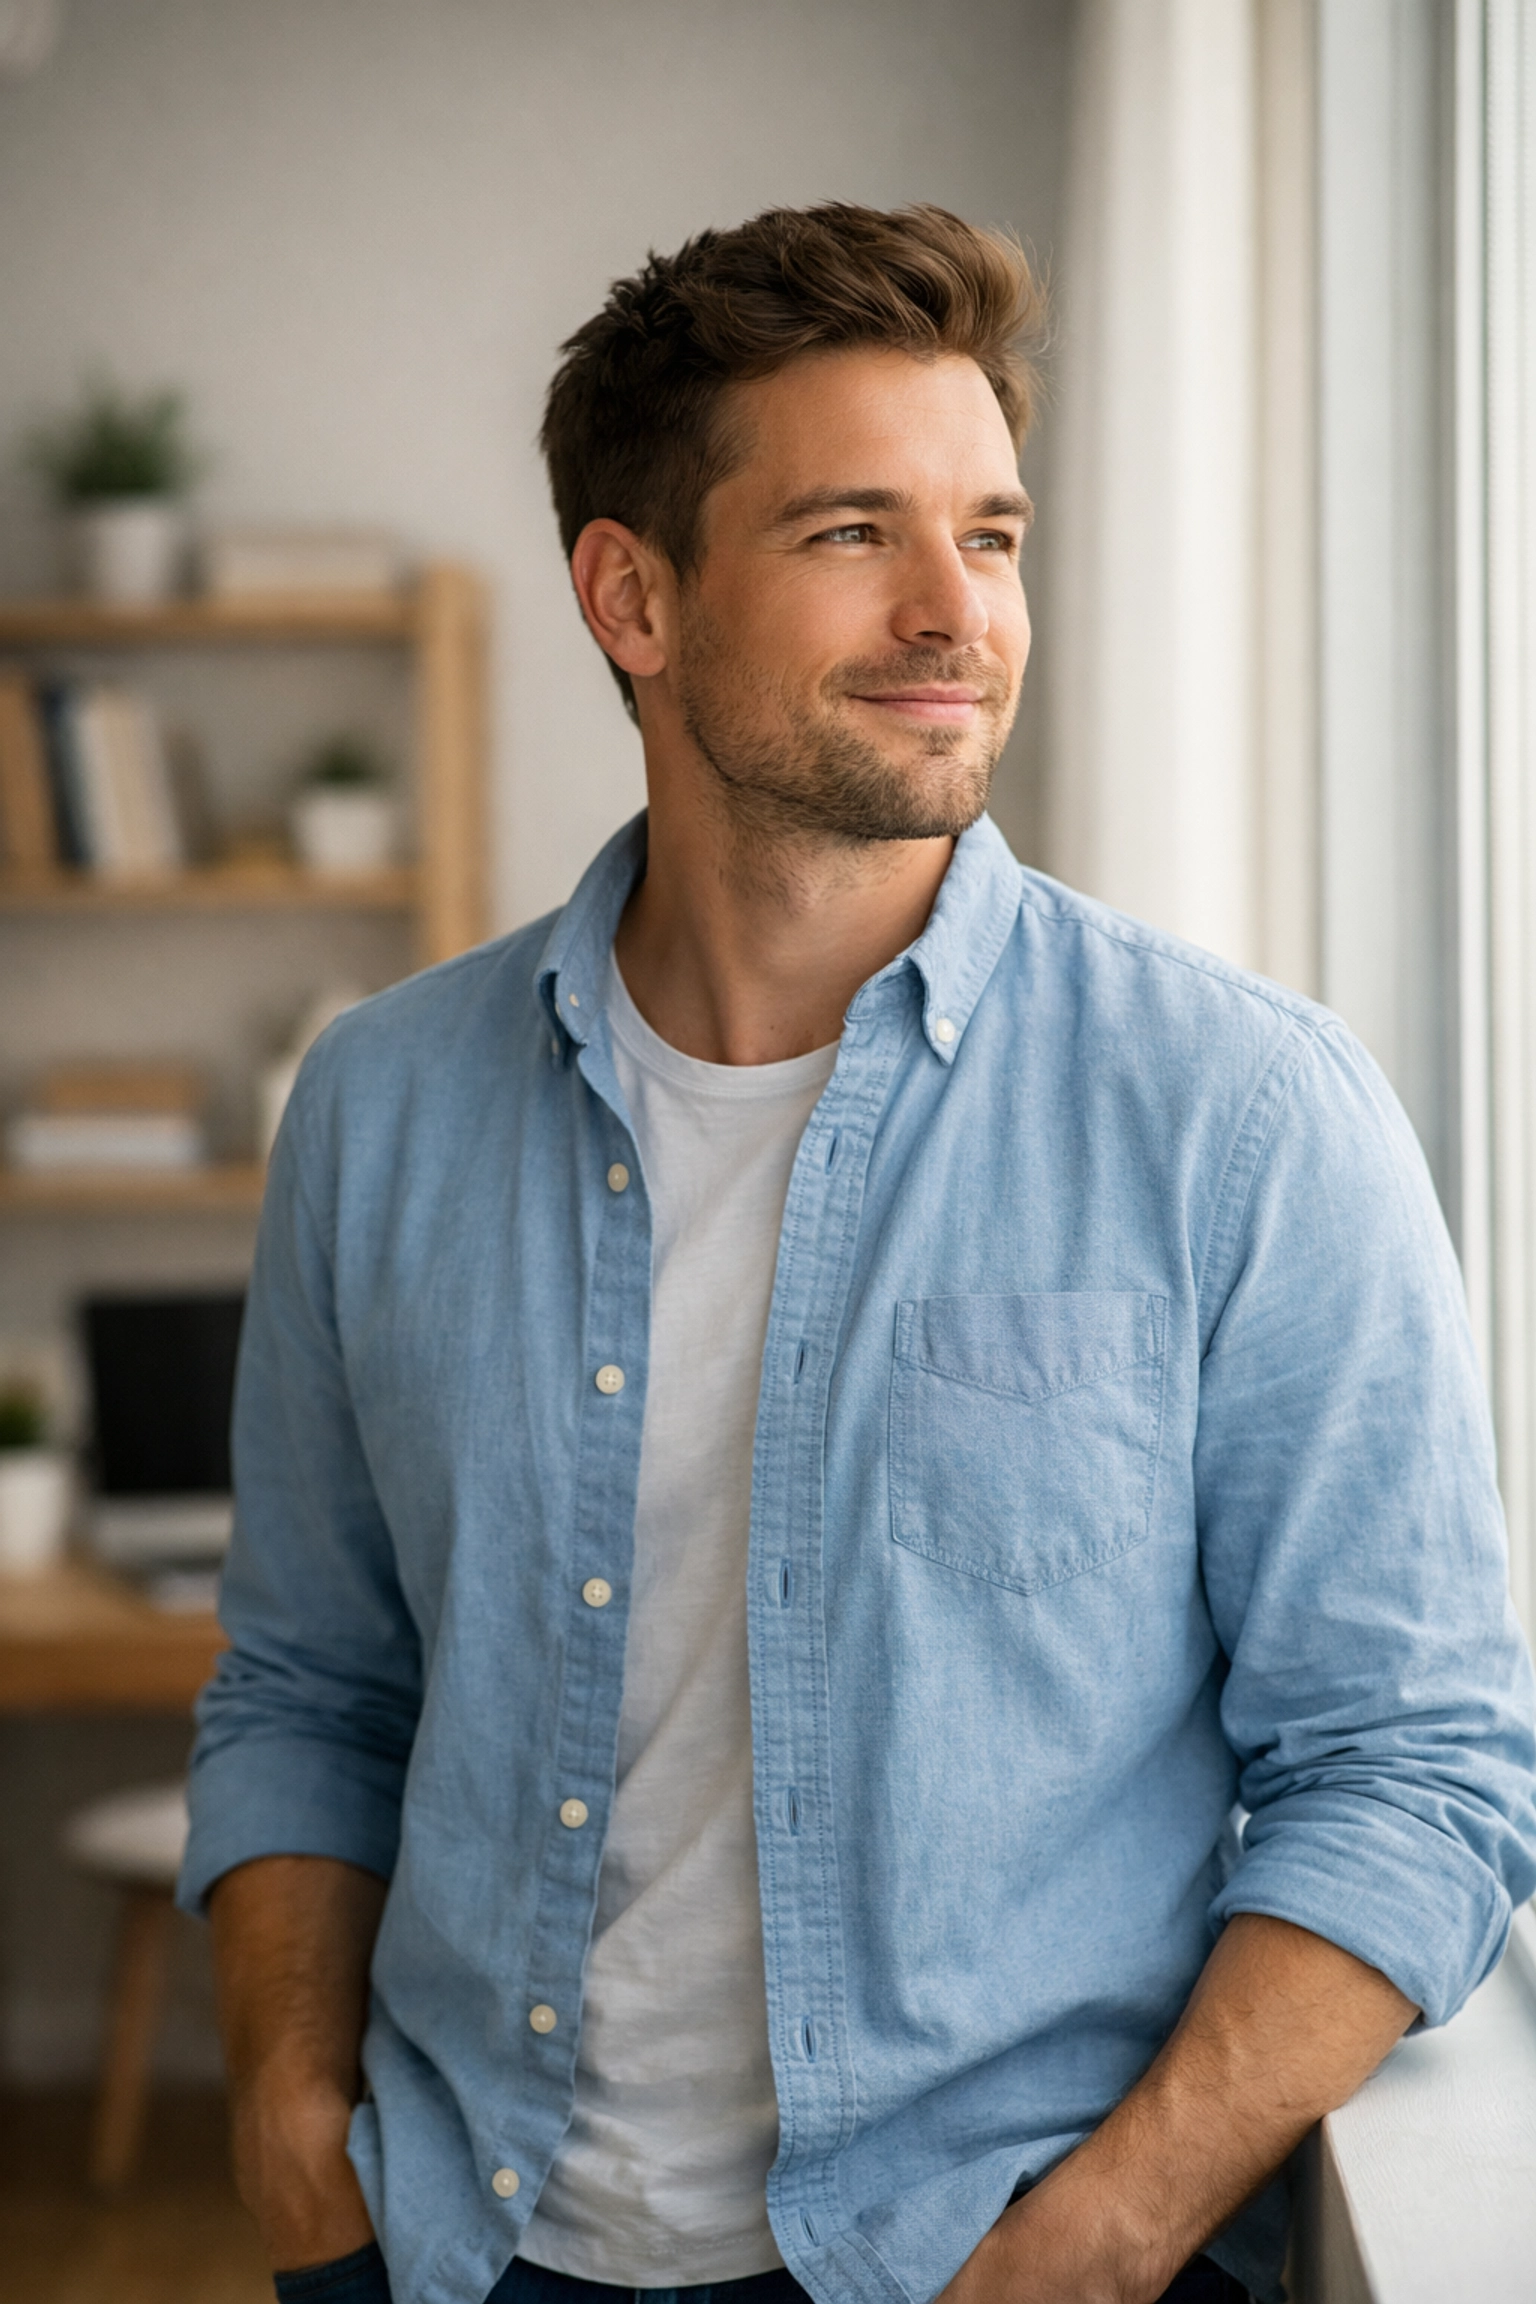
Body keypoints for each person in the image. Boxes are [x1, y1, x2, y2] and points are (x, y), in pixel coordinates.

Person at [182, 203, 1536, 2304]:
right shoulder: (379, 1108)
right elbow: (309, 1686)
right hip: (456, 2246)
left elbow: (1417, 1768)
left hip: (997, 2262)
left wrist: (1110, 2235)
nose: (953, 612)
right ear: (633, 594)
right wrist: (290, 2127)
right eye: (849, 534)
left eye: (990, 535)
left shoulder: (1246, 1115)